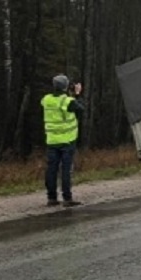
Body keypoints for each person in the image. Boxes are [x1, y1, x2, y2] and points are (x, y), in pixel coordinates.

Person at [41, 75, 84, 207]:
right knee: (66, 169)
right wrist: (77, 94)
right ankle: (67, 198)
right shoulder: (67, 101)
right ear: (65, 86)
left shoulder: (46, 99)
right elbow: (80, 109)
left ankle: (51, 197)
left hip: (52, 140)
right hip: (67, 140)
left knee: (51, 169)